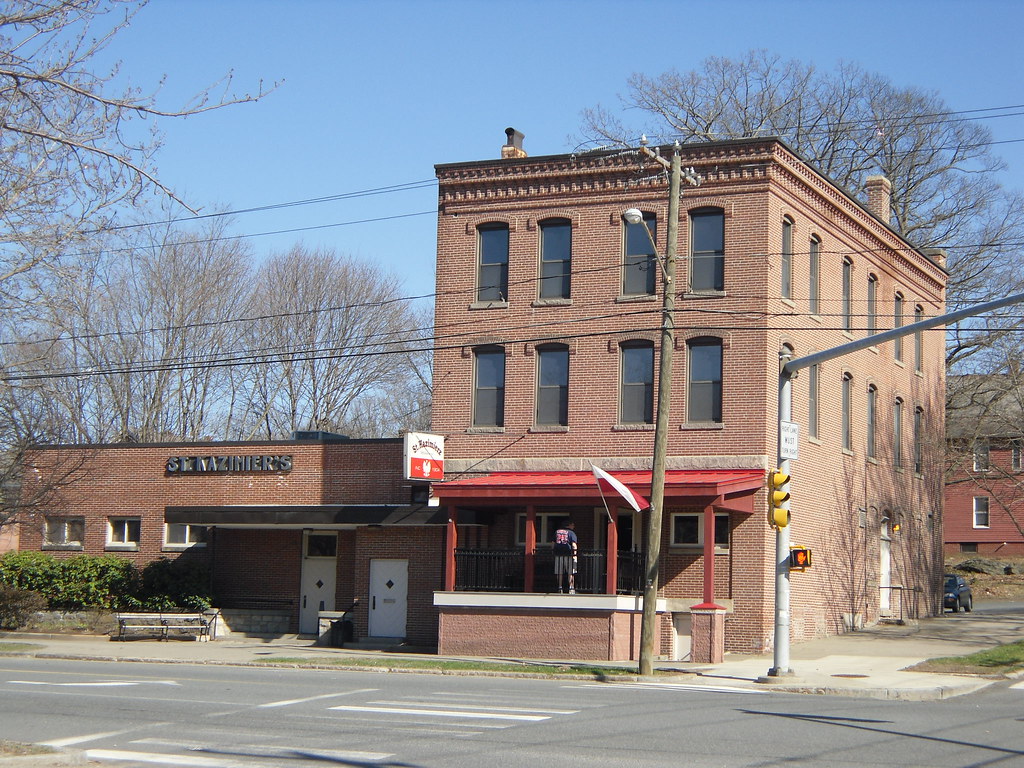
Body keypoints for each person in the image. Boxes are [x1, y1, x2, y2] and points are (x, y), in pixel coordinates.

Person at [553, 520, 578, 593]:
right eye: (572, 525)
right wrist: (575, 555)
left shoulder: (557, 532)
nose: (573, 527)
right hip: (569, 555)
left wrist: (554, 551)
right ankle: (571, 588)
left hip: (558, 555)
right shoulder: (571, 533)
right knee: (570, 572)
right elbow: (573, 545)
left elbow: (552, 544)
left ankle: (560, 587)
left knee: (559, 572)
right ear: (569, 525)